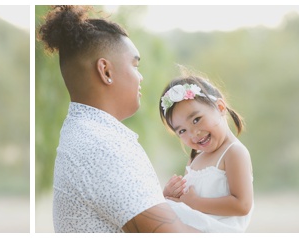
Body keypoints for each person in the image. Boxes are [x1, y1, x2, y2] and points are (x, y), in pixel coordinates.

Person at [37, 5, 197, 233]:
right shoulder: (102, 145)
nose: (140, 76)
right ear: (106, 71)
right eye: (135, 65)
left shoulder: (84, 133)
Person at [159, 69, 254, 232]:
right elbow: (187, 201)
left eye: (196, 120)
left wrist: (194, 203)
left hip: (218, 230)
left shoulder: (233, 152)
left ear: (220, 107)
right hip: (197, 226)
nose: (194, 134)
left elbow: (242, 205)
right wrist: (171, 196)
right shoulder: (195, 158)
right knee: (156, 207)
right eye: (182, 131)